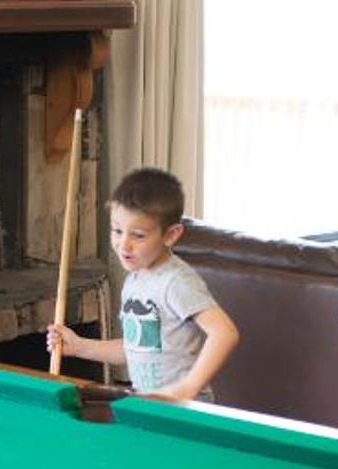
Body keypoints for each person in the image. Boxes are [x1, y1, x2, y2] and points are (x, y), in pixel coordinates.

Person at [46, 167, 240, 402]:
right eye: (117, 231)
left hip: (183, 409)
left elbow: (224, 333)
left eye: (138, 235)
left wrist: (187, 388)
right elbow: (136, 349)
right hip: (148, 404)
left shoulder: (176, 281)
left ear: (171, 235)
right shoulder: (134, 280)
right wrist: (80, 346)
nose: (123, 244)